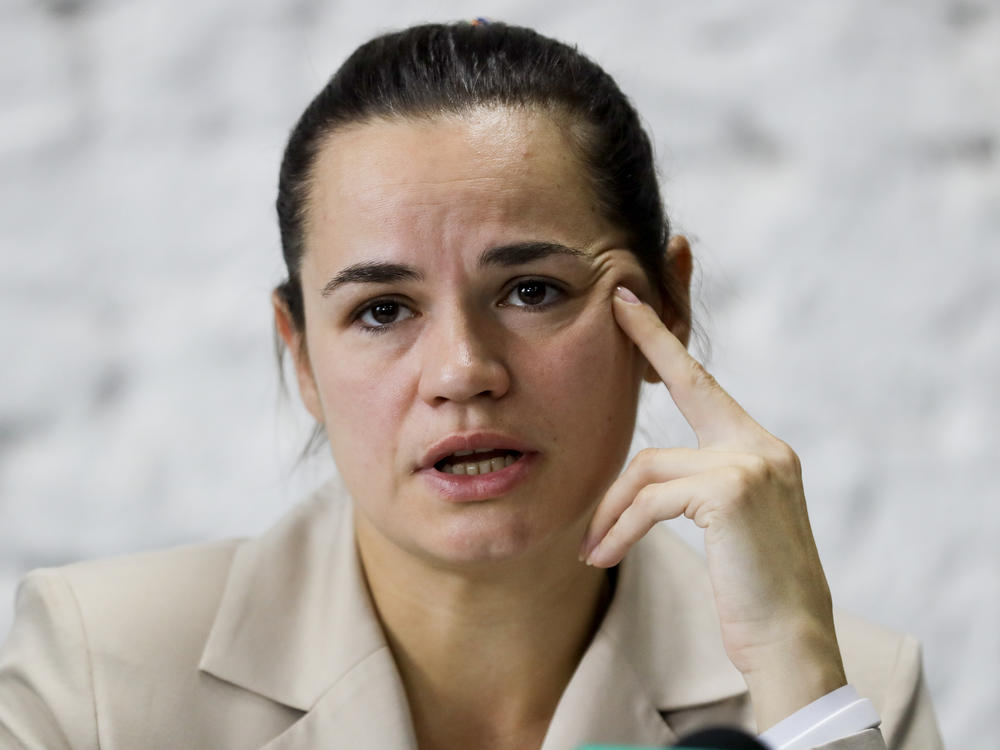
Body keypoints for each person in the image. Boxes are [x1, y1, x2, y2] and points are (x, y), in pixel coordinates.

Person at [0, 21, 942, 750]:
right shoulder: (101, 671)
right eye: (381, 311)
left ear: (668, 299)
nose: (461, 372)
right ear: (301, 356)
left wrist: (792, 664)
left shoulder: (844, 685)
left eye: (532, 291)